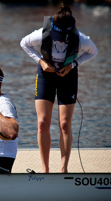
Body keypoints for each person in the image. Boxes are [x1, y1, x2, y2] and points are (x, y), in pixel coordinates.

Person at [20, 5, 98, 173]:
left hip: (67, 76)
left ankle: (64, 169)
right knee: (42, 124)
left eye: (63, 38)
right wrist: (40, 61)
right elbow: (24, 43)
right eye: (57, 36)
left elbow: (94, 51)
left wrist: (74, 64)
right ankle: (45, 169)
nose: (59, 40)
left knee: (64, 124)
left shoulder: (81, 39)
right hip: (45, 75)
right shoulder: (42, 34)